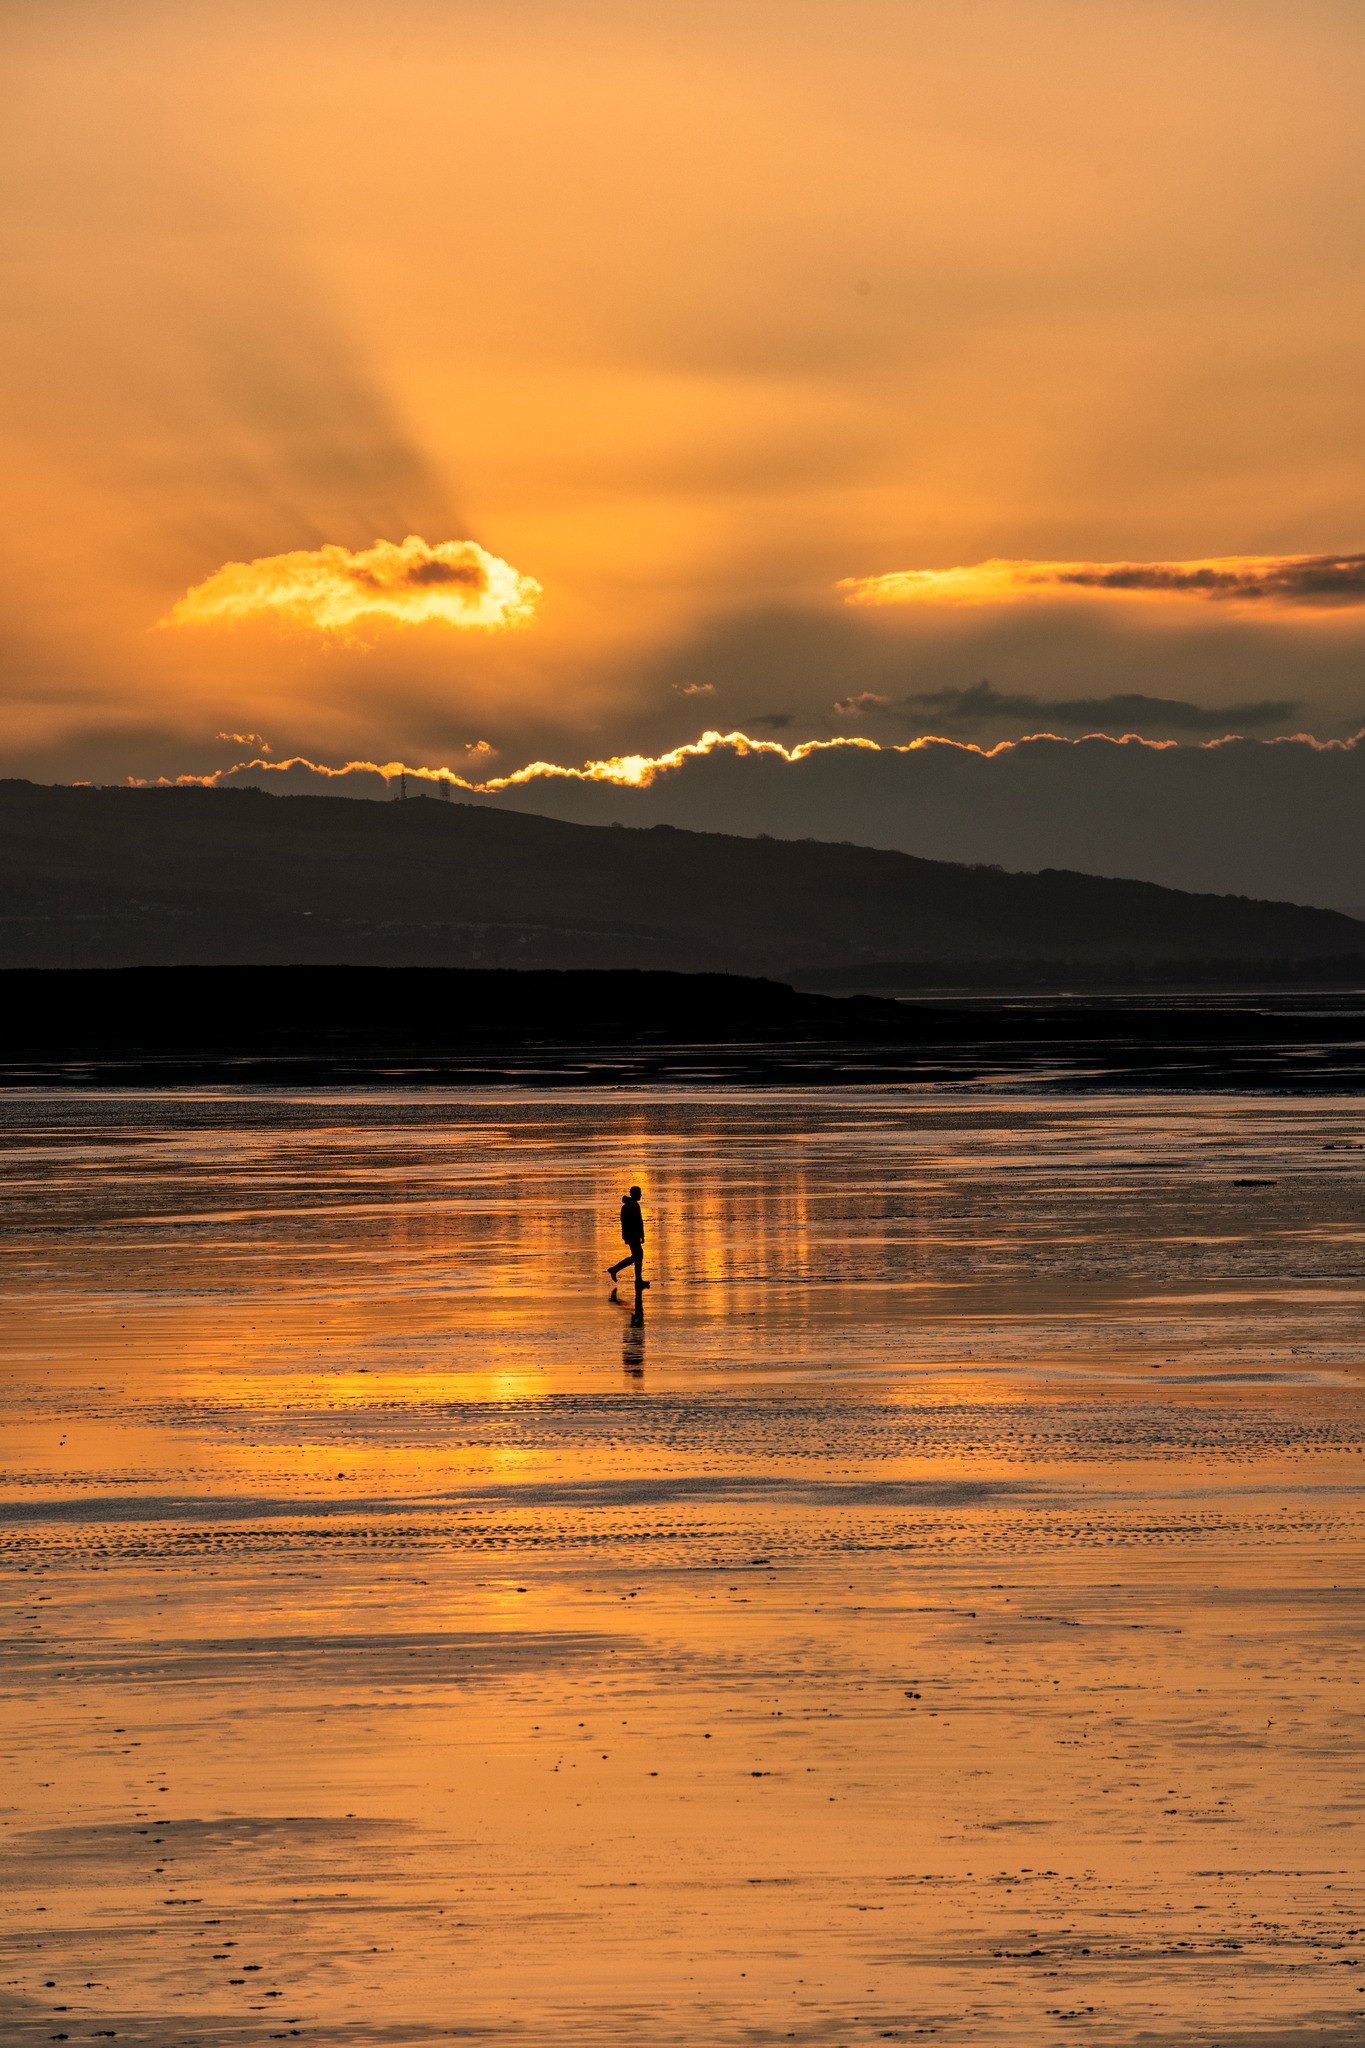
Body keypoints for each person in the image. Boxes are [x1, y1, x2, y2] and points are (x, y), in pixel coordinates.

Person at [608, 1185, 647, 1290]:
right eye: (639, 1193)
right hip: (633, 1235)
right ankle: (615, 1270)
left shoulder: (627, 1206)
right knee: (637, 1256)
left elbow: (626, 1222)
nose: (641, 1195)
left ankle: (637, 1280)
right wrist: (640, 1235)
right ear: (635, 1194)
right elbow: (638, 1222)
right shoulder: (633, 1206)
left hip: (630, 1235)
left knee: (637, 1256)